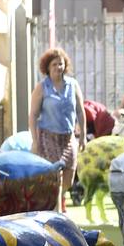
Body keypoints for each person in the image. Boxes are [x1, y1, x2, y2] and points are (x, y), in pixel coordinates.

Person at [28, 47, 86, 210]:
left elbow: (80, 111)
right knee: (56, 177)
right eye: (54, 64)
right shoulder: (42, 87)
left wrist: (82, 135)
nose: (58, 68)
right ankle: (58, 213)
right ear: (47, 67)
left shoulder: (72, 85)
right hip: (48, 137)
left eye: (60, 64)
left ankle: (58, 201)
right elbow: (33, 115)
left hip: (68, 138)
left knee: (68, 178)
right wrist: (35, 140)